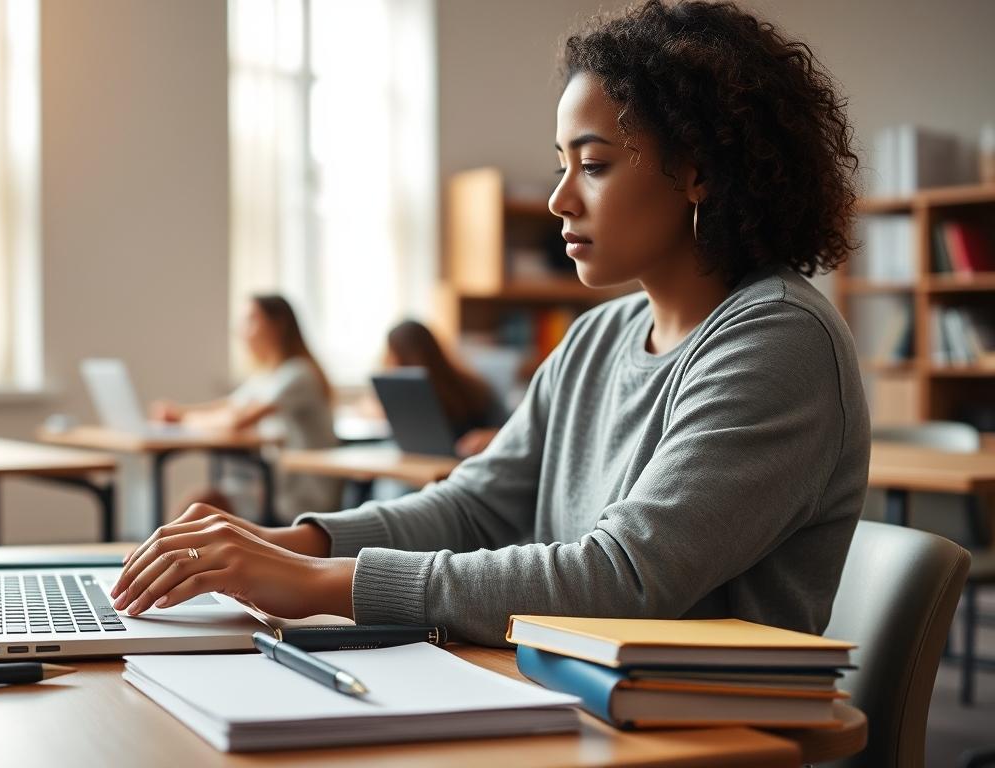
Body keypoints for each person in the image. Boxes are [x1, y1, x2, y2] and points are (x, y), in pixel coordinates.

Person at [109, 0, 869, 645]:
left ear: (699, 169)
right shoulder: (599, 337)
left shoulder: (778, 340)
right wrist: (288, 544)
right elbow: (476, 506)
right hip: (567, 701)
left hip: (703, 736)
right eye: (562, 164)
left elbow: (626, 580)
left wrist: (318, 582)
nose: (560, 199)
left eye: (595, 164)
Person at [151, 294, 340, 524]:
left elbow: (238, 420)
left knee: (201, 504)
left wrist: (184, 420)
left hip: (299, 496)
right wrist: (180, 412)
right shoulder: (267, 375)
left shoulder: (299, 373)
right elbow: (229, 405)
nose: (241, 330)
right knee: (200, 504)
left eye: (251, 320)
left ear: (278, 325)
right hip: (269, 484)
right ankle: (172, 557)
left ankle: (171, 557)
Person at [380, 319, 508, 457]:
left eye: (393, 357)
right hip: (423, 464)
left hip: (465, 464)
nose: (389, 363)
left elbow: (511, 432)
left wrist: (490, 437)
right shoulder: (405, 396)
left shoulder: (473, 390)